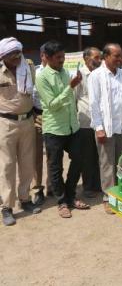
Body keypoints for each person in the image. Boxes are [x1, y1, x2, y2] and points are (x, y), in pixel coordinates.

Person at [36, 40, 89, 218]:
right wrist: (71, 87)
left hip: (71, 127)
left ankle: (70, 194)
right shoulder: (42, 77)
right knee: (55, 167)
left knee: (79, 159)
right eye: (58, 57)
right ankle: (62, 201)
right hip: (54, 129)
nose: (62, 60)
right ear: (48, 58)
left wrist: (72, 86)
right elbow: (52, 105)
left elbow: (70, 99)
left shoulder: (66, 72)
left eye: (63, 57)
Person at [0, 37, 41, 226]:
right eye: (12, 54)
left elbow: (34, 93)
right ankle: (6, 207)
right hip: (6, 123)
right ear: (3, 56)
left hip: (27, 121)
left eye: (18, 53)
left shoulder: (29, 67)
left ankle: (24, 200)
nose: (17, 57)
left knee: (26, 163)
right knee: (7, 166)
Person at [88, 43, 122, 214]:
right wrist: (99, 128)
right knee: (107, 163)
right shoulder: (96, 76)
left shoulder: (121, 74)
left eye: (121, 56)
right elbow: (94, 104)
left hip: (121, 126)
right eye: (117, 56)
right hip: (105, 127)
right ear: (106, 57)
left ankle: (121, 193)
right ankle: (108, 197)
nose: (120, 59)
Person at [75, 47, 102, 197]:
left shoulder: (100, 74)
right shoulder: (79, 75)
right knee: (88, 156)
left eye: (100, 58)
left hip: (100, 122)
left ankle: (98, 184)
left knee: (100, 155)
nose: (99, 61)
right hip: (85, 122)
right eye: (96, 58)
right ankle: (88, 187)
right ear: (86, 58)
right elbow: (74, 98)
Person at [31, 43, 50, 205]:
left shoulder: (60, 73)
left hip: (54, 118)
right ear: (42, 55)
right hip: (37, 116)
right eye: (47, 55)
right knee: (37, 155)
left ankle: (52, 185)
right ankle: (38, 189)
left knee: (54, 155)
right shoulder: (34, 73)